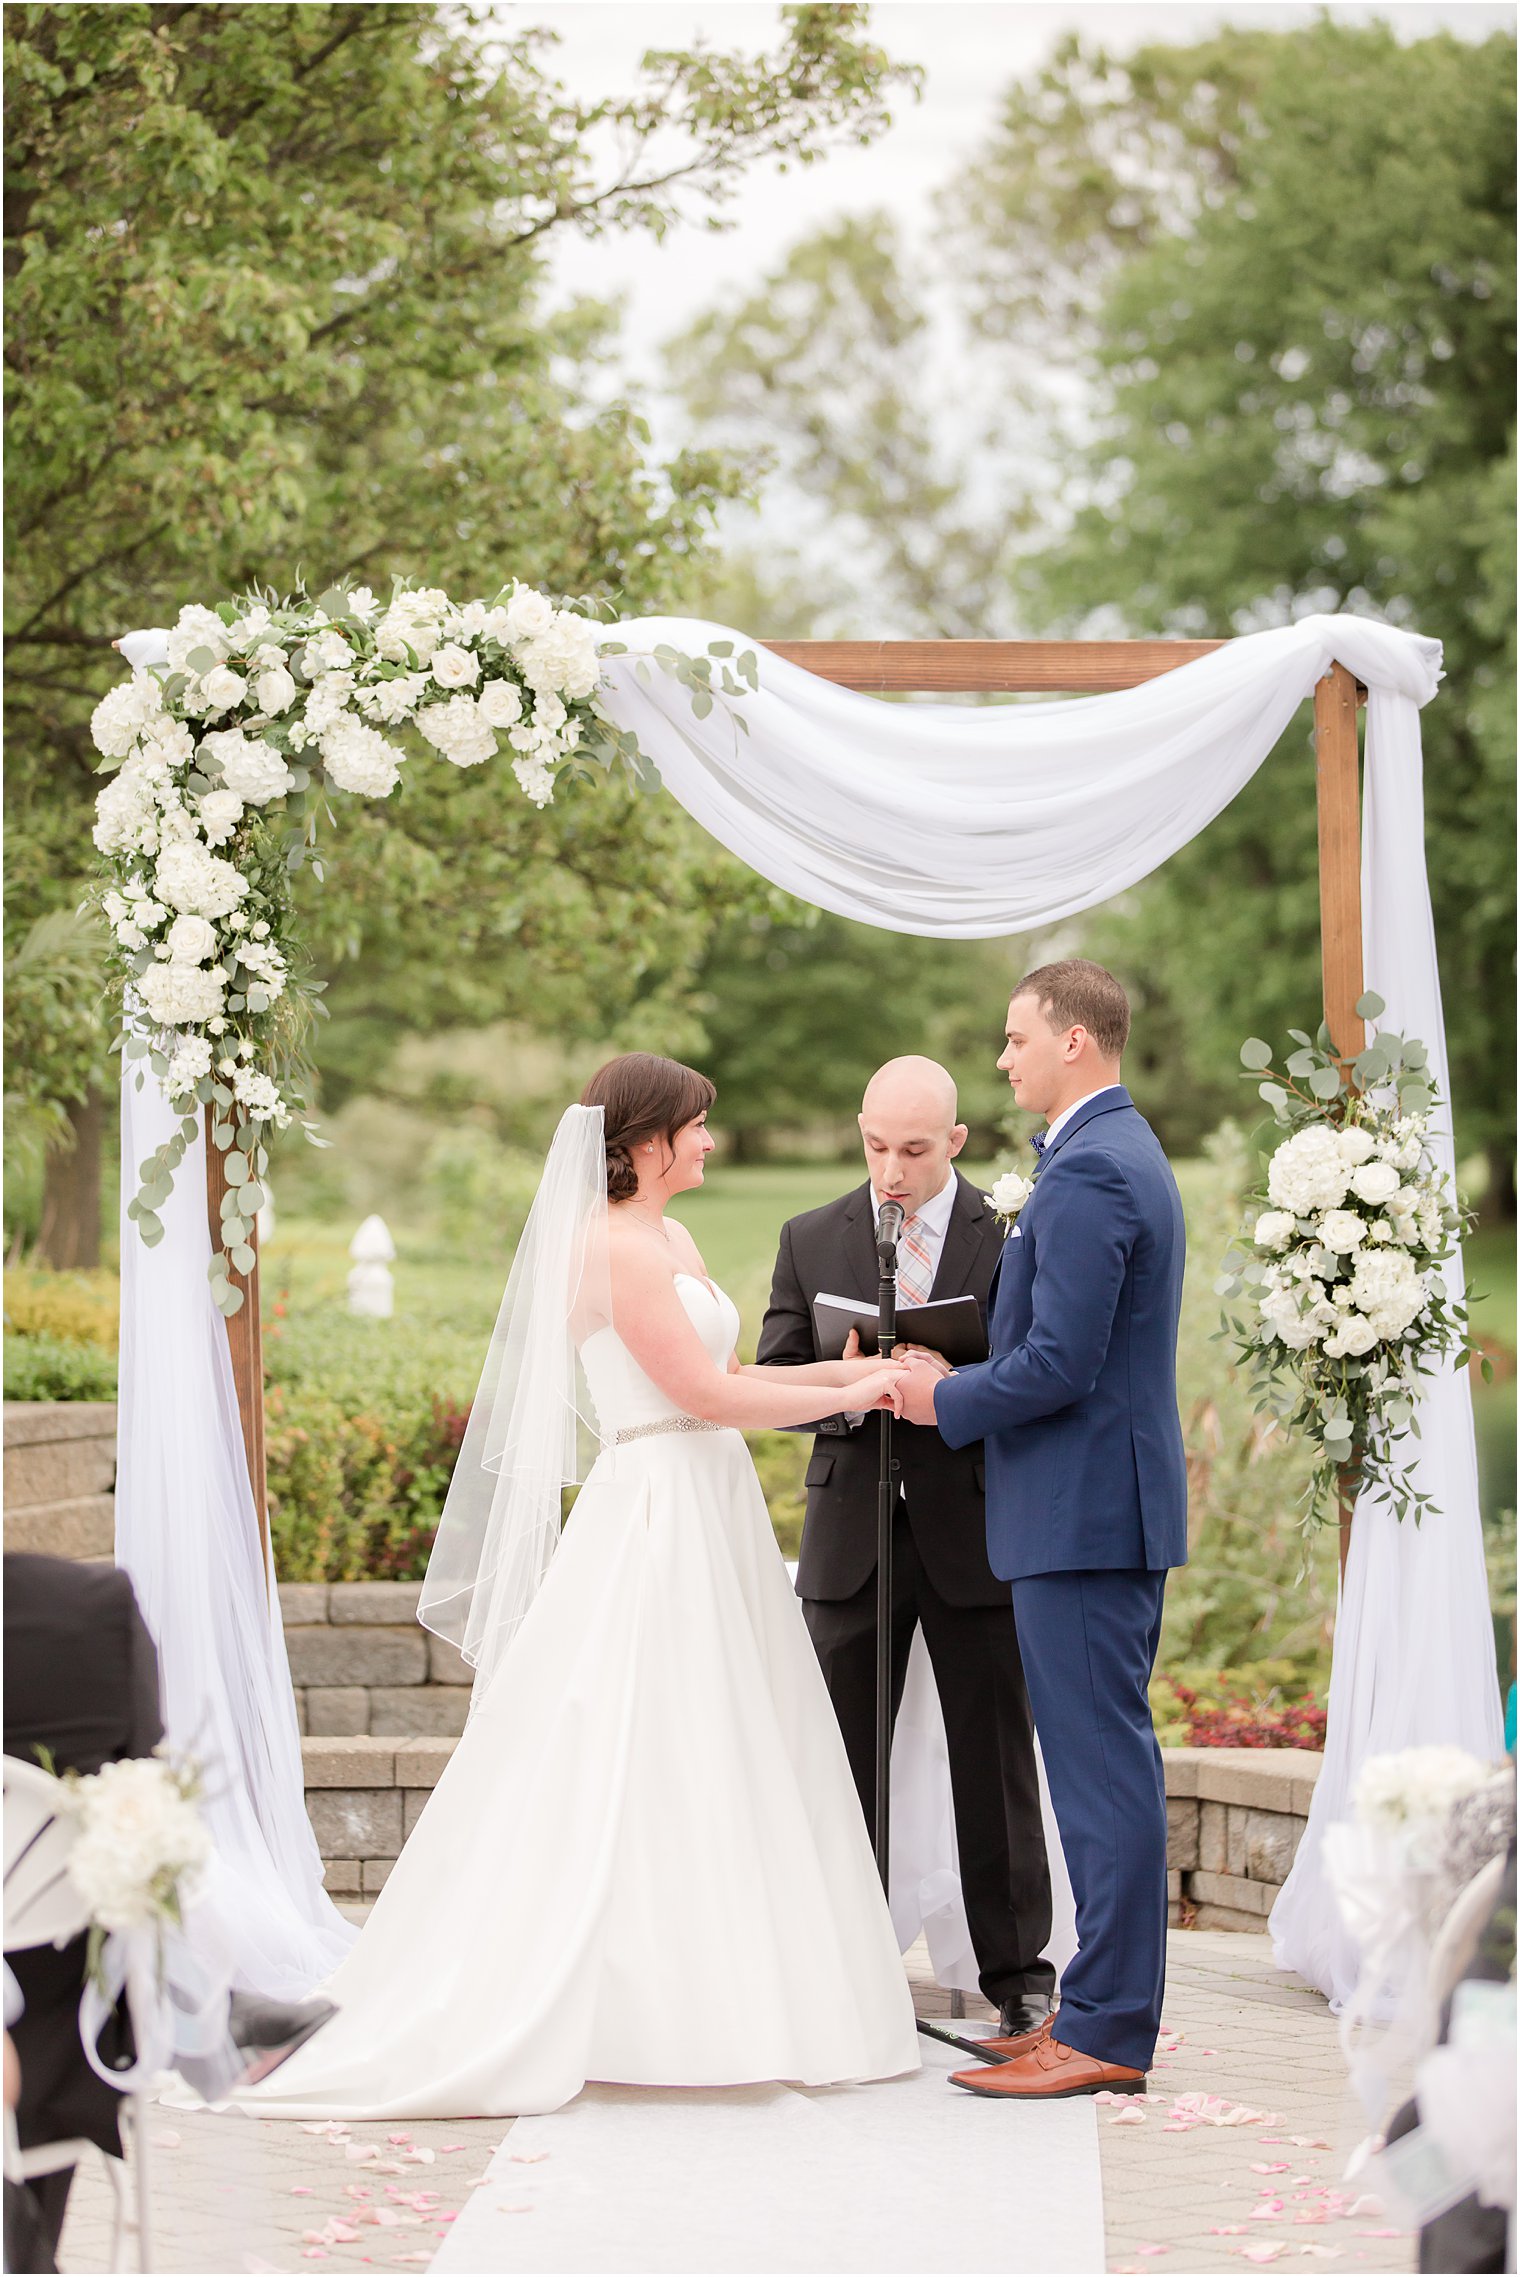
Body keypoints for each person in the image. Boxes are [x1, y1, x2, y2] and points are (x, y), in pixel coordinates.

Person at [242, 1054, 920, 2119]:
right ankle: (627, 2007)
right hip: (654, 1504)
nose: (708, 1141)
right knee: (644, 1739)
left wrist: (851, 1374)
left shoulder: (672, 1238)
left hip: (709, 1500)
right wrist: (861, 1392)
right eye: (695, 1127)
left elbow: (734, 1381)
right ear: (646, 1137)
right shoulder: (606, 1247)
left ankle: (739, 1997)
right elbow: (697, 1391)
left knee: (726, 1740)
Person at [897, 962, 1188, 2101]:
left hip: (1082, 1518)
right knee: (1091, 1774)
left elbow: (1061, 1366)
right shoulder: (1100, 1155)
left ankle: (1109, 2033)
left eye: (1016, 1040)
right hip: (1083, 1513)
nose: (1004, 1056)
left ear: (1074, 1041)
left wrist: (941, 1400)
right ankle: (1092, 2009)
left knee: (1099, 1780)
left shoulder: (1093, 1173)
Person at [756, 1056, 1055, 2039]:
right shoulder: (809, 1237)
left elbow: (1032, 1374)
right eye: (876, 1144)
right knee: (838, 1761)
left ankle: (1018, 1974)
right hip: (850, 1536)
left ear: (956, 1143)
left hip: (970, 1530)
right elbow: (770, 1377)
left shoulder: (1006, 1236)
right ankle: (837, 1962)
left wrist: (950, 1383)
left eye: (915, 1149)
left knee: (992, 1757)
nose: (892, 1168)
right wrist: (839, 1383)